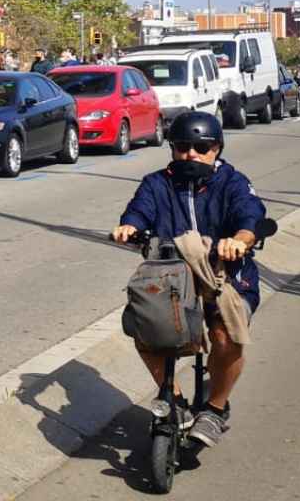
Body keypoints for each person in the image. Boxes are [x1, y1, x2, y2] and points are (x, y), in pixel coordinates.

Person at [112, 112, 266, 448]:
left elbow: (250, 215)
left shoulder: (233, 182)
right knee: (142, 327)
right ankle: (176, 402)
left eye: (201, 147)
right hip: (170, 277)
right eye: (183, 146)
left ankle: (215, 408)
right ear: (173, 148)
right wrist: (130, 227)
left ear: (216, 148)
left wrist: (240, 239)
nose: (191, 154)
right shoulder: (157, 183)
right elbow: (139, 210)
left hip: (226, 275)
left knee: (227, 334)